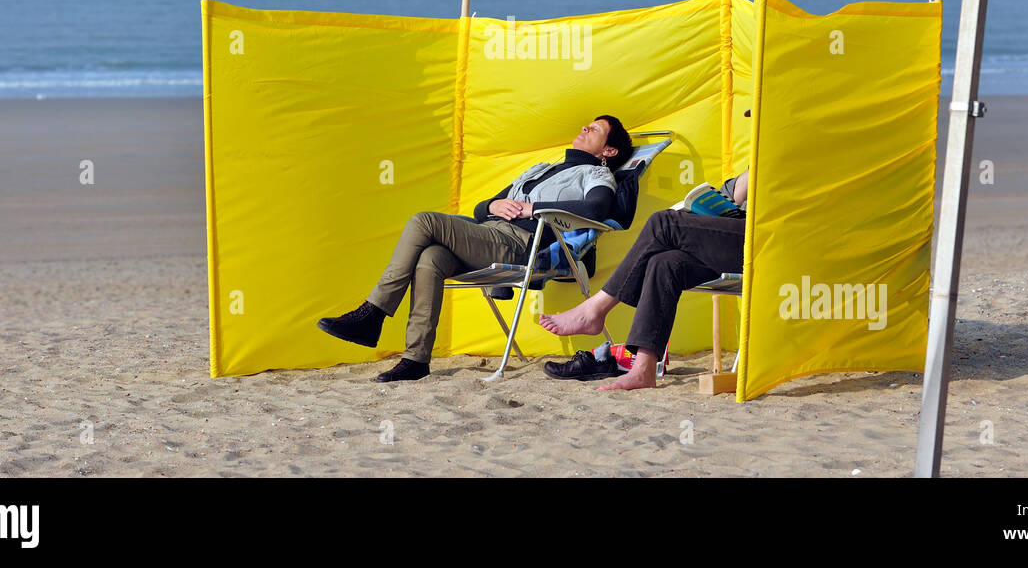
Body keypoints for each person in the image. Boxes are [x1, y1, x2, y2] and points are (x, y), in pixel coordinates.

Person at [317, 115, 635, 382]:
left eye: (594, 129)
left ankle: (373, 312)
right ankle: (416, 359)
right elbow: (482, 210)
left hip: (520, 245)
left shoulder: (597, 174)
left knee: (422, 221)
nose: (583, 129)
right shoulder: (541, 169)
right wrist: (496, 203)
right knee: (431, 258)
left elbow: (595, 210)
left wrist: (530, 208)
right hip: (489, 234)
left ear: (608, 149)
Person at [539, 169, 749, 391]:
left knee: (663, 223)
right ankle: (644, 370)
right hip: (734, 239)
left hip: (768, 240)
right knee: (665, 262)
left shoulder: (785, 154)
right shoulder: (763, 154)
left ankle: (595, 309)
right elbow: (733, 197)